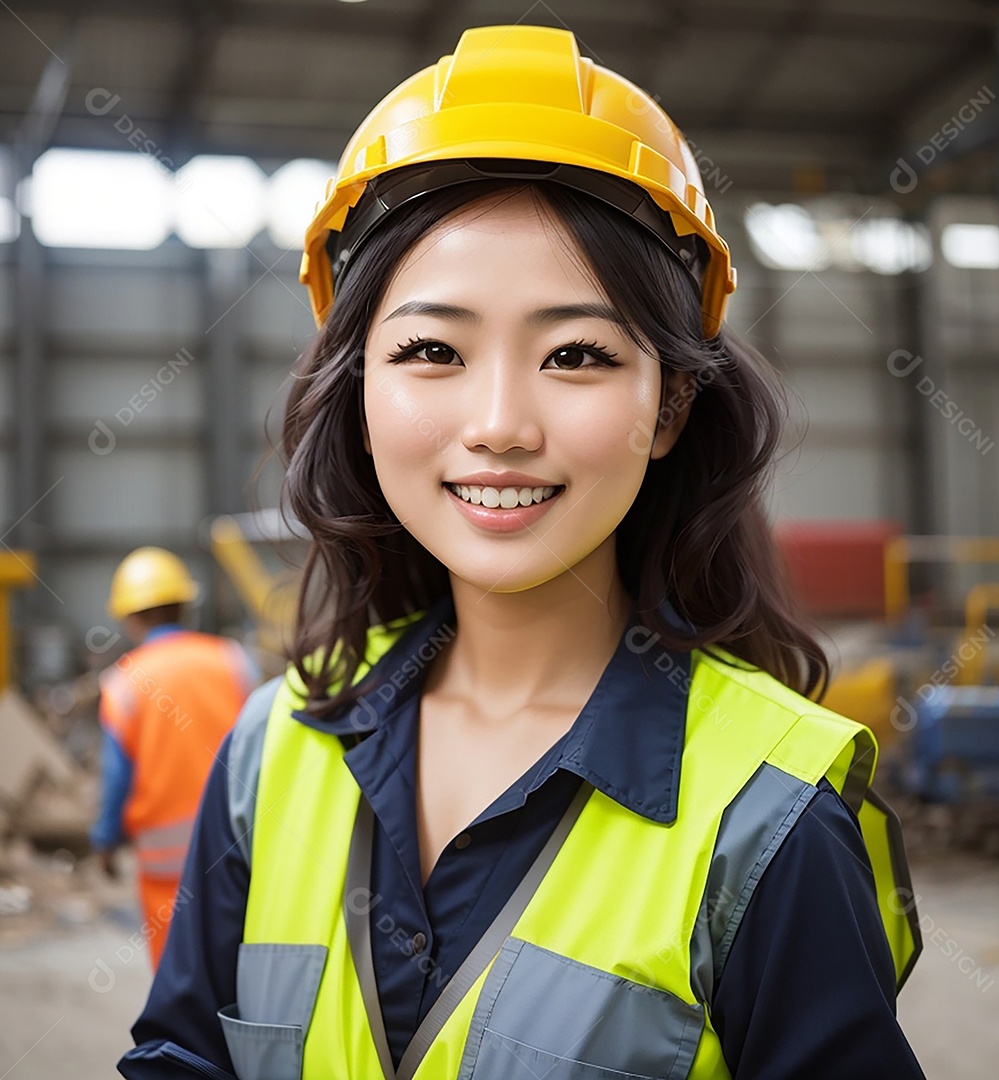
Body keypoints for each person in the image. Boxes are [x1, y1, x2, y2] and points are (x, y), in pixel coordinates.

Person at [118, 25, 926, 1079]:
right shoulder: (270, 759)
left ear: (672, 403)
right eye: (432, 351)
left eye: (576, 354)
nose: (500, 421)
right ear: (360, 392)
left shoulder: (769, 817)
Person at [91, 546, 258, 969]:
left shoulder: (124, 683)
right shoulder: (233, 661)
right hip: (241, 851)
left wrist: (106, 843)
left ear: (130, 618)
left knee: (177, 980)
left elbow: (116, 779)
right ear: (185, 606)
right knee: (240, 969)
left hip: (167, 873)